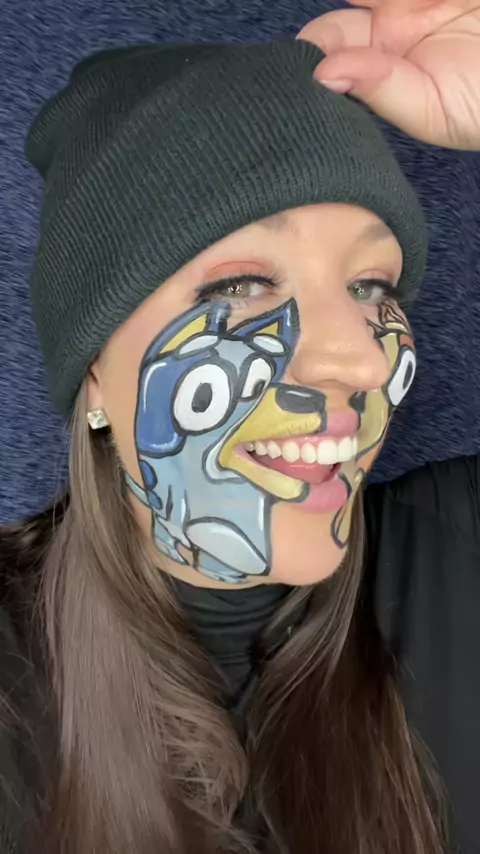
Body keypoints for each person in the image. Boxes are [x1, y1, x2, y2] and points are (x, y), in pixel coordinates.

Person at [0, 5, 479, 854]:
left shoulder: (461, 549)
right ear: (95, 371)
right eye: (242, 286)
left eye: (372, 287)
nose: (359, 359)